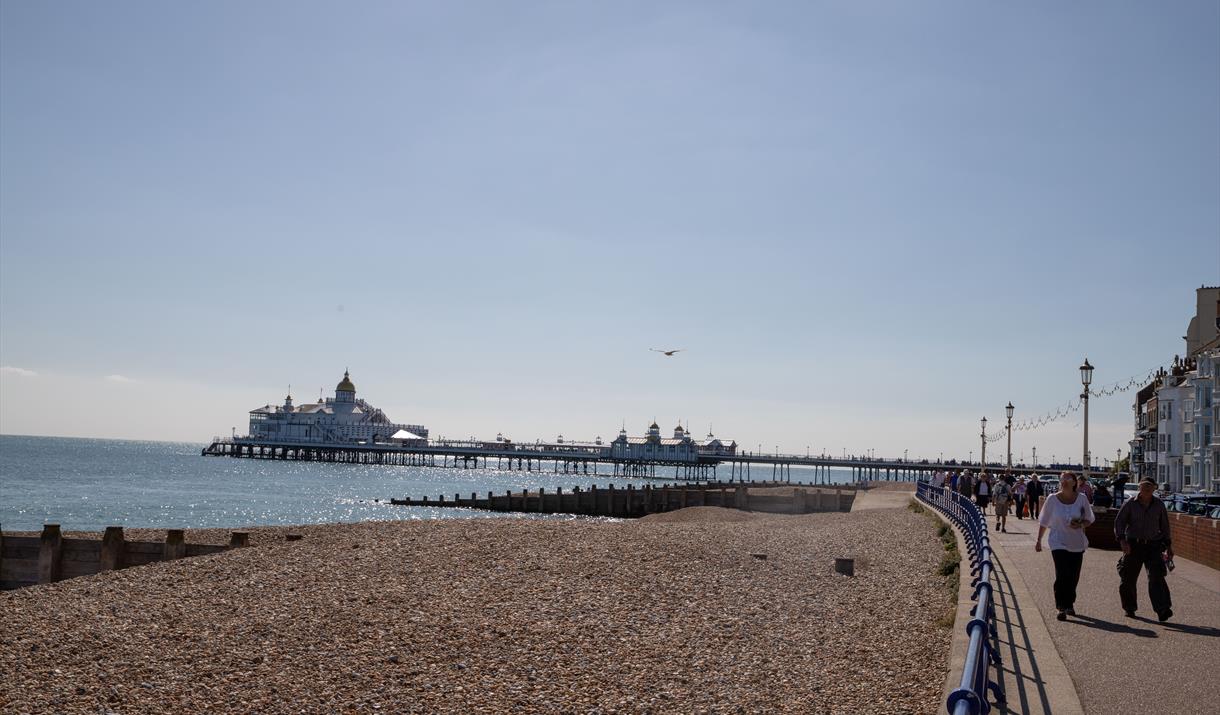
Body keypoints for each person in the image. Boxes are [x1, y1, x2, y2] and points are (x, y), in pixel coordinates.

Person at [1036, 472, 1096, 621]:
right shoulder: (1052, 499)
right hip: (1058, 541)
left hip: (1076, 542)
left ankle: (1070, 603)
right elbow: (1044, 520)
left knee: (1073, 575)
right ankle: (1061, 606)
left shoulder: (1081, 499)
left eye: (1068, 479)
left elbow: (1089, 519)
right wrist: (1038, 540)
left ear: (1074, 483)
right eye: (1062, 479)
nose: (1064, 482)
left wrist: (1081, 524)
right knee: (1062, 573)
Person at [1113, 477, 1174, 622]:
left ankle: (1163, 609)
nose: (1146, 489)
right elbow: (1119, 522)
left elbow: (1165, 526)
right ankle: (1129, 607)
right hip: (1133, 545)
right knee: (1128, 577)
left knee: (1156, 577)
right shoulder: (1130, 504)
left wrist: (1169, 547)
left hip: (1154, 545)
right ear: (1139, 487)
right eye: (1143, 486)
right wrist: (1122, 541)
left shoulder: (1159, 505)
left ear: (1154, 488)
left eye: (1149, 486)